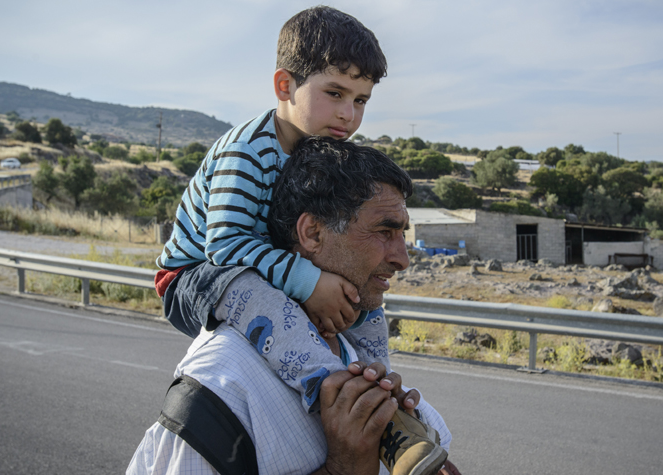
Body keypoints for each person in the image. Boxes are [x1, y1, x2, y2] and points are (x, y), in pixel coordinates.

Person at [152, 6, 444, 473]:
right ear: (285, 86)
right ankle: (330, 391)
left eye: (361, 100)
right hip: (196, 275)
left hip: (251, 264)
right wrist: (308, 282)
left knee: (366, 298)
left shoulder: (313, 149)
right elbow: (224, 248)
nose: (349, 115)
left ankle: (380, 395)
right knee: (251, 291)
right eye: (335, 93)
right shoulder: (245, 150)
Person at [130, 137, 459, 474]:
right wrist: (341, 467)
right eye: (384, 231)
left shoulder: (354, 349)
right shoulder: (220, 382)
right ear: (312, 233)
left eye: (402, 233)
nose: (402, 259)